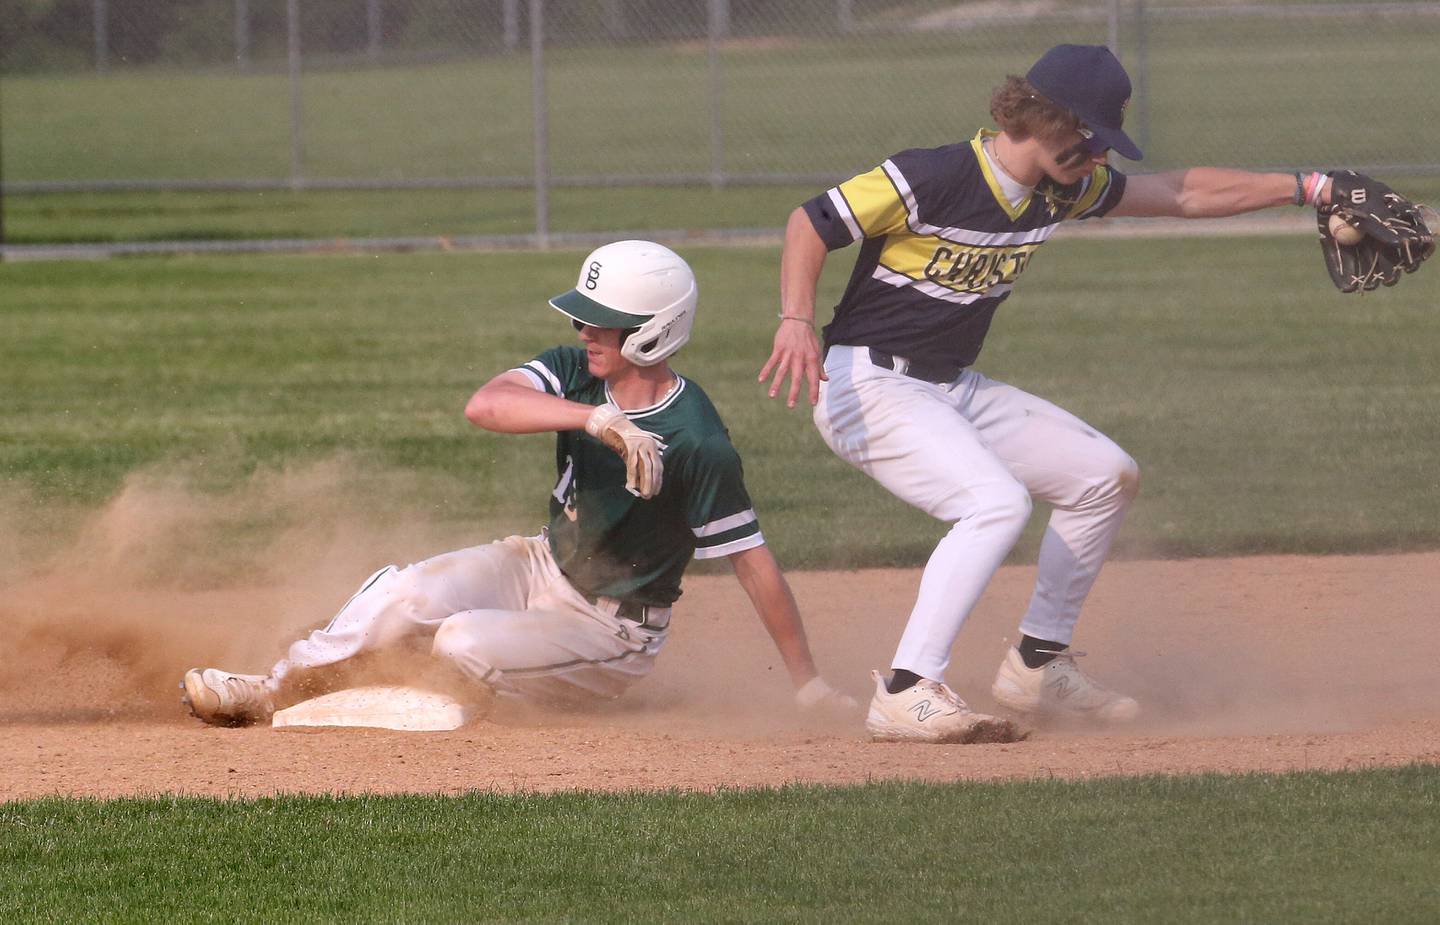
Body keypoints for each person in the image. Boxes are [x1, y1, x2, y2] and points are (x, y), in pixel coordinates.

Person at [759, 44, 1432, 743]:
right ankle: (904, 689)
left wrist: (1312, 186)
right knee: (994, 503)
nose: (1097, 155)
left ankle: (1036, 663)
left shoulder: (1063, 187)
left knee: (1104, 475)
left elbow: (1181, 194)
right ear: (1040, 115)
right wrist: (797, 320)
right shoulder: (931, 174)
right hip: (864, 383)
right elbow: (811, 222)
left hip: (948, 388)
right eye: (1088, 136)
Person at [183, 240, 854, 727]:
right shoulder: (578, 372)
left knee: (461, 641)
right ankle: (271, 688)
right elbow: (488, 404)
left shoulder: (697, 440)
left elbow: (753, 561)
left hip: (611, 632)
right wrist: (596, 420)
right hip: (540, 565)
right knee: (409, 590)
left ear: (654, 329)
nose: (584, 330)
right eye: (582, 316)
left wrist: (807, 685)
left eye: (602, 320)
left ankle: (406, 672)